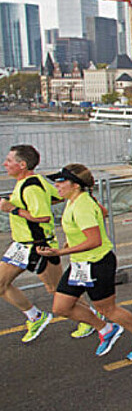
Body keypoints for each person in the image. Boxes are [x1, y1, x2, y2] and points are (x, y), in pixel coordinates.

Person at [38, 164, 132, 357]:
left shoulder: (82, 205)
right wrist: (73, 240)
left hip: (97, 263)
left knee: (108, 309)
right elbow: (103, 212)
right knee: (61, 307)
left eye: (61, 181)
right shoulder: (76, 200)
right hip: (80, 264)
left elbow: (95, 241)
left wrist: (60, 252)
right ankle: (106, 329)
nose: (56, 185)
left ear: (75, 185)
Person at [0, 145, 61, 342]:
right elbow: (58, 196)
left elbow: (43, 217)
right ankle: (35, 316)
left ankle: (95, 319)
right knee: (0, 284)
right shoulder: (29, 183)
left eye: (9, 161)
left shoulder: (32, 187)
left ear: (22, 165)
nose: (4, 164)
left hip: (39, 246)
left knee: (58, 292)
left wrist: (12, 209)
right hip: (21, 245)